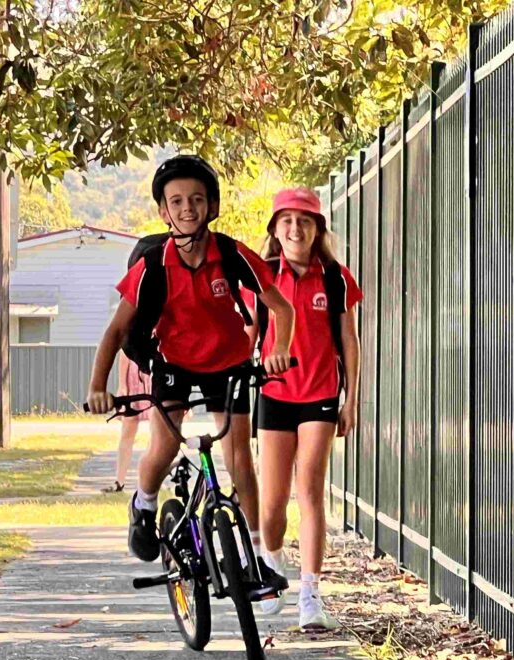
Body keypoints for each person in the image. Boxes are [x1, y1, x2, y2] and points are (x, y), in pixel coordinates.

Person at [87, 155, 295, 591]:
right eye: (176, 201)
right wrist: (97, 387)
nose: (187, 208)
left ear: (212, 207)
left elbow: (282, 307)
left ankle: (257, 559)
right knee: (163, 448)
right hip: (175, 363)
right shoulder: (154, 266)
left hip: (231, 362)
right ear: (163, 211)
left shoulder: (233, 254)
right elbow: (116, 330)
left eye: (197, 200)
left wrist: (277, 349)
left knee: (241, 460)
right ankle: (143, 505)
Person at [253, 187, 362, 630]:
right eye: (287, 221)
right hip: (274, 396)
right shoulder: (261, 276)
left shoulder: (335, 277)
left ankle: (311, 595)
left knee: (310, 492)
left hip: (319, 396)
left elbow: (348, 342)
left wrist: (351, 400)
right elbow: (251, 333)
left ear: (317, 230)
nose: (296, 228)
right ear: (276, 230)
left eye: (305, 221)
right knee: (273, 501)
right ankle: (271, 564)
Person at [103, 353, 149, 494]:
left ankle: (149, 480)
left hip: (156, 375)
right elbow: (125, 352)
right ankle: (119, 481)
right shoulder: (133, 331)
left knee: (158, 433)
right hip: (134, 378)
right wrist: (123, 386)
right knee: (128, 431)